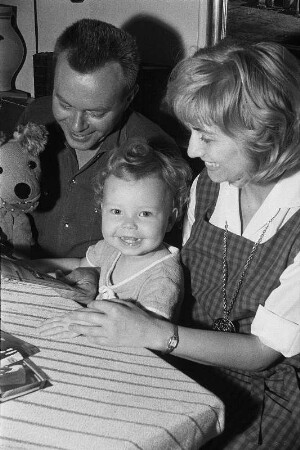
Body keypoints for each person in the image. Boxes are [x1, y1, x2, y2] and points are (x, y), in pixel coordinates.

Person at [38, 40, 300, 448]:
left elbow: (262, 353)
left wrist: (153, 333)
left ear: (264, 134)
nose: (193, 150)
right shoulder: (208, 186)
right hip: (183, 351)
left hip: (264, 387)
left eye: (206, 137)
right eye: (191, 133)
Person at [19, 18, 180, 259]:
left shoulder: (157, 152)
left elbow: (155, 260)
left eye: (96, 113)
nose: (76, 126)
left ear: (129, 98)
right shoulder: (34, 117)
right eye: (64, 104)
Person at [32, 139, 192, 323]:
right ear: (102, 209)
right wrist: (32, 266)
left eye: (145, 213)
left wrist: (81, 321)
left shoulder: (163, 278)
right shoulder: (111, 248)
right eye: (116, 211)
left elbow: (145, 332)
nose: (128, 224)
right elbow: (79, 263)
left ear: (170, 219)